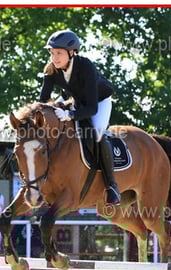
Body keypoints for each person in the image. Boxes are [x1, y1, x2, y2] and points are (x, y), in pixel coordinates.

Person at [39, 29, 120, 205]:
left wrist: (69, 115)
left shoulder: (85, 67)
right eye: (52, 53)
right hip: (73, 99)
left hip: (98, 101)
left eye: (59, 53)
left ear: (71, 53)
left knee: (97, 133)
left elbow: (91, 108)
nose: (54, 58)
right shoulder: (51, 70)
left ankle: (112, 186)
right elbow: (43, 102)